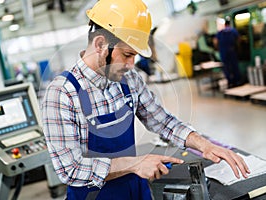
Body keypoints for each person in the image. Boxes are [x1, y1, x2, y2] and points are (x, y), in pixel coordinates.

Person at [42, 1, 250, 199]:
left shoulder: (128, 78)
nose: (131, 64)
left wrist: (204, 145)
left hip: (135, 189)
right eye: (127, 54)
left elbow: (163, 121)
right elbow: (70, 169)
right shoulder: (61, 94)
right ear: (100, 44)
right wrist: (134, 164)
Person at [214, 16, 241, 88]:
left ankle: (230, 82)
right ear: (230, 24)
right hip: (232, 50)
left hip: (223, 52)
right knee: (234, 66)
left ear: (225, 24)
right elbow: (238, 39)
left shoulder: (220, 32)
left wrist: (218, 48)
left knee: (226, 67)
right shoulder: (233, 31)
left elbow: (215, 41)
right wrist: (238, 47)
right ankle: (237, 81)